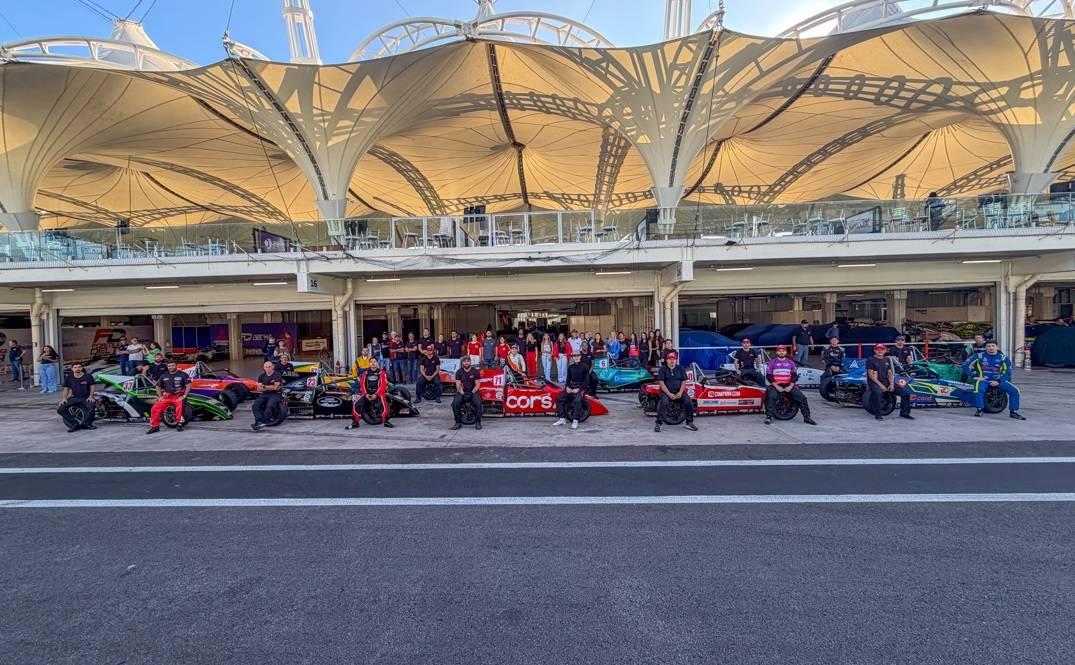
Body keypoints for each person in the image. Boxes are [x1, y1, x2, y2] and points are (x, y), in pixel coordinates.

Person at [963, 341, 1025, 420]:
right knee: (978, 390)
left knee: (1015, 391)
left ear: (997, 347)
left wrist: (998, 381)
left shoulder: (1003, 358)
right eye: (988, 346)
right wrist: (974, 376)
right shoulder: (978, 356)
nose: (991, 348)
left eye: (993, 346)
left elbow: (1007, 372)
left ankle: (1013, 412)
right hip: (983, 380)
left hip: (998, 380)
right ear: (985, 348)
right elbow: (965, 365)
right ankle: (979, 410)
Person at [764, 345, 816, 426]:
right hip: (776, 385)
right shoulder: (772, 362)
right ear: (776, 352)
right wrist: (777, 386)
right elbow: (769, 376)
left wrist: (790, 386)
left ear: (785, 352)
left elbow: (794, 376)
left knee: (802, 398)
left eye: (783, 351)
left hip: (789, 385)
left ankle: (807, 417)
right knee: (770, 397)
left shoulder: (790, 362)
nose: (781, 352)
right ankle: (769, 417)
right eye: (779, 351)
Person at [866, 343, 912, 421]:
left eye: (882, 349)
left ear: (885, 350)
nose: (880, 351)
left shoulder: (887, 359)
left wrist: (891, 384)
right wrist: (880, 385)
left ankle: (905, 413)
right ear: (874, 350)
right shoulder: (870, 359)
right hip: (874, 383)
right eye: (878, 349)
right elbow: (870, 374)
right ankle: (878, 414)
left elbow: (890, 373)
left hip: (886, 382)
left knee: (906, 393)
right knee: (878, 393)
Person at [654, 352, 696, 432]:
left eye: (673, 359)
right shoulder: (662, 369)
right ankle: (658, 423)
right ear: (667, 360)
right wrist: (669, 394)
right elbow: (661, 384)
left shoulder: (680, 368)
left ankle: (689, 422)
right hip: (666, 392)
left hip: (678, 391)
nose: (672, 361)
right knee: (664, 403)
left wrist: (680, 392)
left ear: (676, 360)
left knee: (689, 402)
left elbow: (684, 381)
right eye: (670, 359)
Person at [146, 359, 191, 434]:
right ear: (167, 367)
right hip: (167, 396)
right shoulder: (164, 375)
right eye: (169, 366)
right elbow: (158, 386)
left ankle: (179, 424)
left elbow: (188, 385)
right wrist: (160, 396)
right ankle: (155, 426)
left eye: (173, 365)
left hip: (178, 395)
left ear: (176, 366)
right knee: (155, 408)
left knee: (179, 406)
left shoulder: (183, 374)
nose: (171, 367)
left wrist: (184, 395)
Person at [350, 357, 392, 428]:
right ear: (369, 363)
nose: (373, 363)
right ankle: (355, 422)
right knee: (356, 404)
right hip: (367, 394)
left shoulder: (381, 373)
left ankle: (386, 422)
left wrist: (376, 394)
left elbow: (383, 385)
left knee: (384, 405)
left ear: (377, 363)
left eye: (374, 362)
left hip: (378, 393)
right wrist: (366, 394)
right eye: (371, 362)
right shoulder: (365, 373)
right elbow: (362, 384)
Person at [57, 362, 97, 432]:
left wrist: (91, 396)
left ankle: (87, 424)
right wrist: (64, 398)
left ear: (82, 368)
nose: (77, 369)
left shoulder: (88, 376)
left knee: (91, 407)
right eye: (75, 367)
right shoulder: (69, 377)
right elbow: (66, 389)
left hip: (85, 397)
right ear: (72, 369)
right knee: (60, 409)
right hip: (74, 397)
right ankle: (74, 424)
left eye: (79, 367)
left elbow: (92, 387)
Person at [553, 350, 588, 430]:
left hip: (580, 388)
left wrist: (579, 389)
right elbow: (568, 379)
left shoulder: (585, 366)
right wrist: (567, 387)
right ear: (572, 357)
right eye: (574, 356)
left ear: (580, 356)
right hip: (571, 387)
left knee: (577, 400)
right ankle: (562, 419)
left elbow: (587, 381)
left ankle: (575, 421)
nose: (576, 357)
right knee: (559, 398)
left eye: (577, 355)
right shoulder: (570, 367)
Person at [450, 355, 482, 430]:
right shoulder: (459, 372)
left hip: (473, 391)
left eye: (468, 361)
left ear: (470, 362)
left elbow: (477, 384)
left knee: (478, 403)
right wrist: (463, 394)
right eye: (464, 361)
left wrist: (472, 393)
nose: (466, 363)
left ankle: (477, 422)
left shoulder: (475, 371)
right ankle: (458, 422)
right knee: (455, 403)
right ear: (462, 363)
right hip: (462, 392)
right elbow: (458, 385)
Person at [250, 361, 284, 431]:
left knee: (270, 405)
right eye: (266, 367)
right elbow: (259, 389)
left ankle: (264, 421)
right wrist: (269, 387)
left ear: (272, 367)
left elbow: (275, 388)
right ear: (264, 368)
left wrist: (264, 386)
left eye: (269, 367)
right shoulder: (261, 376)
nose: (268, 368)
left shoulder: (277, 374)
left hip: (276, 394)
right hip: (265, 394)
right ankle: (259, 421)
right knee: (255, 405)